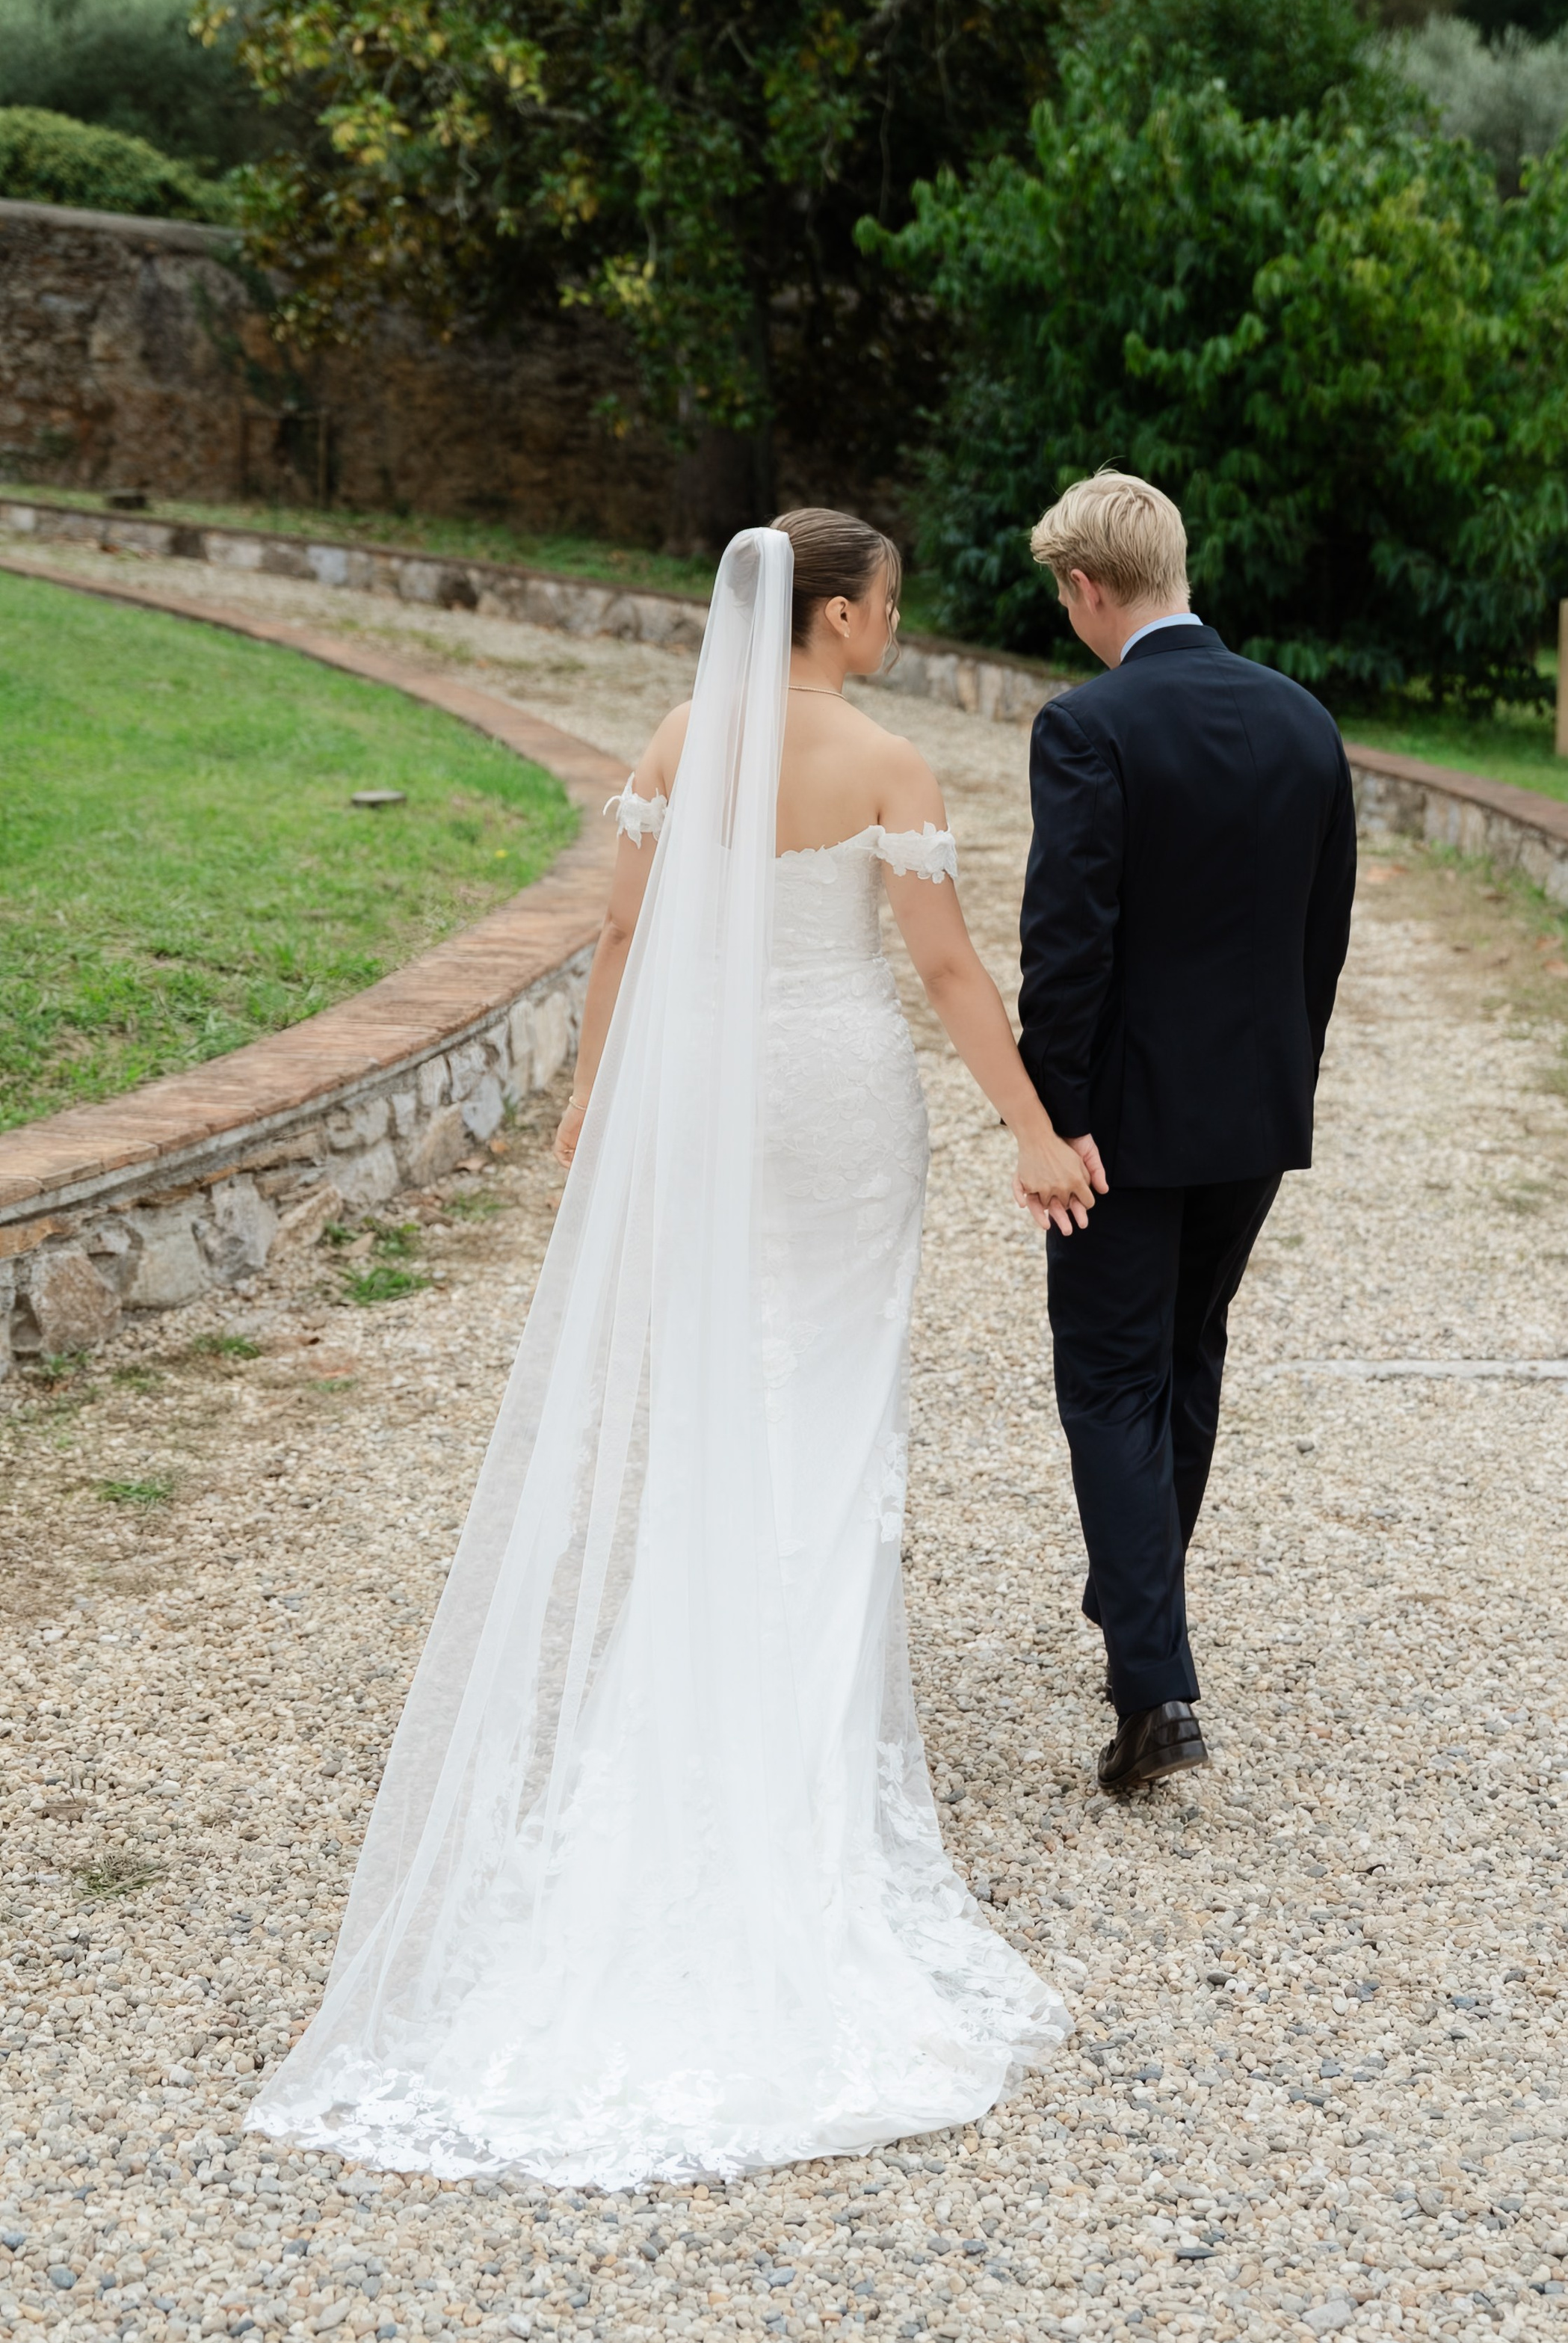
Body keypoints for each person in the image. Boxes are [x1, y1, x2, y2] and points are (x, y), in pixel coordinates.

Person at [249, 511, 1090, 2189]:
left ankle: (696, 1713)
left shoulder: (674, 737)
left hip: (702, 1095)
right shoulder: (888, 766)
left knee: (722, 1400)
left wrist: (591, 1099)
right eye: (886, 609)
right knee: (831, 1415)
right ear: (835, 614)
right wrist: (1035, 1129)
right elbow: (938, 968)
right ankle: (793, 1755)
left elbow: (625, 936)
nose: (894, 632)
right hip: (839, 1098)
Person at [1016, 474, 1357, 1794]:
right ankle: (1141, 1615)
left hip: (1121, 1129)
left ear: (1088, 588)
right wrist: (1282, 1083)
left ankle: (1155, 1693)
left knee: (1109, 1381)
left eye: (1065, 595)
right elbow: (1319, 938)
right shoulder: (1304, 720)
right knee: (1186, 1357)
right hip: (1253, 1114)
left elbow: (1068, 951)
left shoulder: (1088, 726)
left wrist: (1057, 1120)